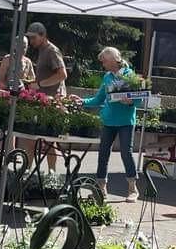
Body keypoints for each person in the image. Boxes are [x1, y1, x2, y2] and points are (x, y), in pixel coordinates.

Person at [80, 47, 139, 202]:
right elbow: (99, 99)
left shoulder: (129, 75)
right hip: (108, 121)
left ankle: (132, 188)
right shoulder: (107, 77)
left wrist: (131, 101)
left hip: (125, 122)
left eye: (104, 61)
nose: (103, 64)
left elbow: (139, 99)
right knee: (103, 154)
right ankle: (101, 189)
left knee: (126, 153)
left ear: (114, 59)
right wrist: (81, 102)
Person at [26, 22, 67, 170]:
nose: (31, 41)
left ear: (43, 36)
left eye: (33, 38)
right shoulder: (42, 50)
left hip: (52, 100)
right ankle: (28, 172)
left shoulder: (51, 51)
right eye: (29, 38)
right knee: (34, 139)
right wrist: (36, 82)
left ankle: (51, 174)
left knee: (49, 141)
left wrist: (41, 84)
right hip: (43, 99)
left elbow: (62, 75)